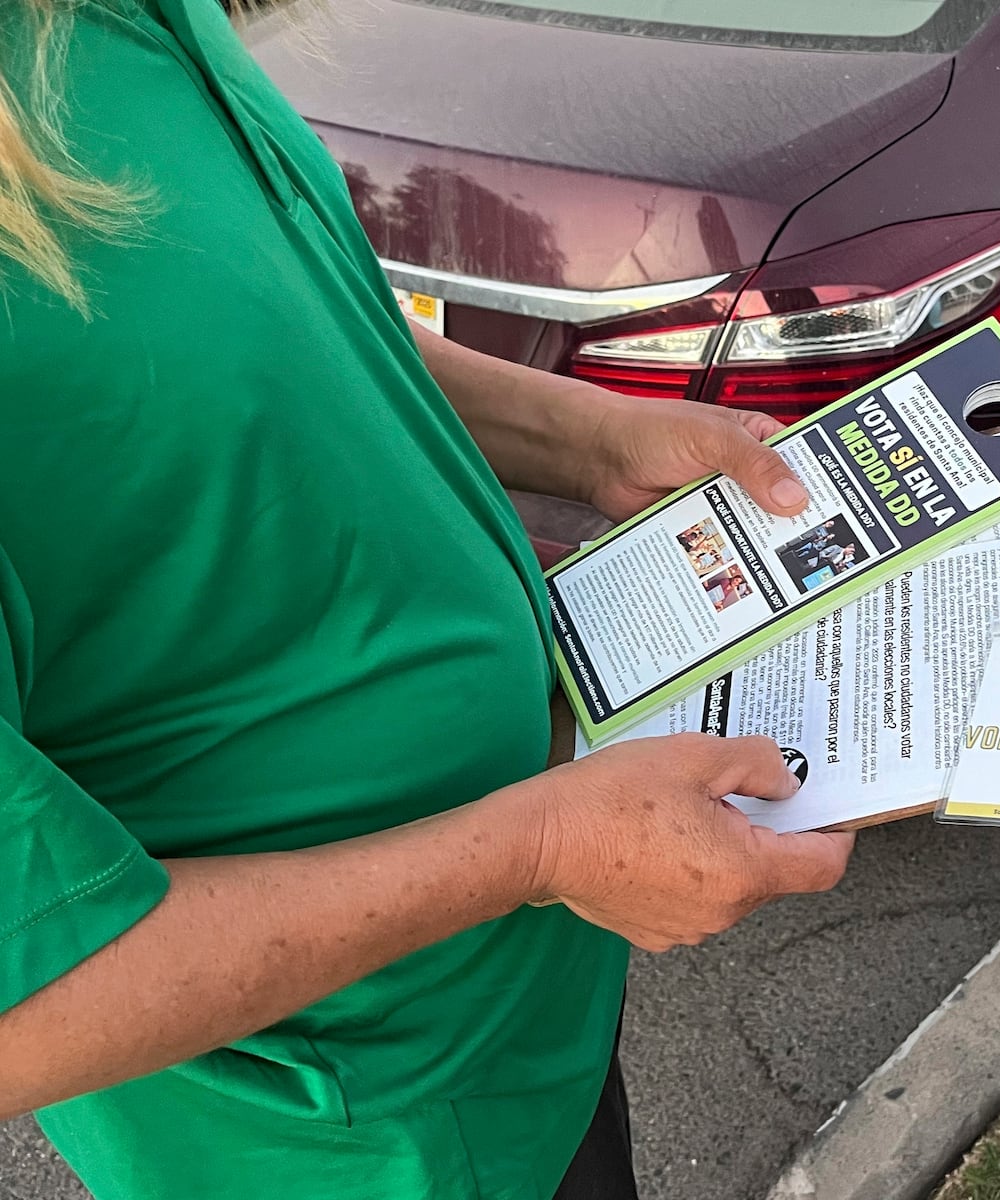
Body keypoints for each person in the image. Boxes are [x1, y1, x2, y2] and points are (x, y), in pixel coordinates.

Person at [0, 3, 855, 1199]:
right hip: (357, 1130)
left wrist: (592, 438)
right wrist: (540, 844)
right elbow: (24, 1015)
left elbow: (286, 322)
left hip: (516, 994)